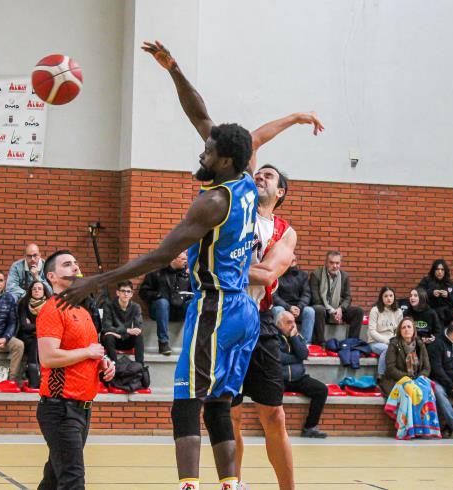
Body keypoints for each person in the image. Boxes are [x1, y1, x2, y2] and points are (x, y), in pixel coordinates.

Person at [141, 40, 323, 490]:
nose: (261, 175)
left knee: (273, 414)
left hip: (253, 319)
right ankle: (229, 482)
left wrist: (230, 265)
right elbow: (251, 136)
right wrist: (296, 117)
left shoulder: (283, 230)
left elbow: (270, 273)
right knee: (226, 411)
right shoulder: (237, 196)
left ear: (280, 193)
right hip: (227, 309)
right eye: (258, 171)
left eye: (270, 177)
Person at [56, 120, 258, 490]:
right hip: (245, 309)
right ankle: (232, 483)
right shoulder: (246, 180)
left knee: (185, 401)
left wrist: (96, 281)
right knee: (218, 403)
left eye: (209, 150)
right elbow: (202, 116)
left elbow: (161, 255)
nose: (202, 151)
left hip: (216, 306)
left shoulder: (213, 202)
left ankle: (188, 485)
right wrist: (173, 70)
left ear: (226, 160)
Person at [36, 250, 115, 489]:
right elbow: (48, 357)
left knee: (54, 479)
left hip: (83, 408)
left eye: (76, 264)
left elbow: (86, 350)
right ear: (52, 276)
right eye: (67, 264)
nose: (75, 268)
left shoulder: (82, 311)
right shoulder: (52, 309)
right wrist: (88, 353)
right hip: (60, 409)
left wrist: (102, 361)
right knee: (73, 480)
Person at [277, 310, 328, 438]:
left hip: (298, 378)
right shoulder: (273, 337)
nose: (293, 326)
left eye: (294, 322)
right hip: (279, 378)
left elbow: (304, 354)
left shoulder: (297, 337)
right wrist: (296, 358)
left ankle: (310, 427)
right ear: (279, 325)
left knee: (321, 390)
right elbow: (278, 357)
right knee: (270, 394)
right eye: (289, 323)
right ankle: (272, 427)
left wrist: (294, 338)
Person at [139, 251, 191, 356]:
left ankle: (193, 341)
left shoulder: (187, 275)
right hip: (160, 310)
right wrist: (158, 295)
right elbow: (143, 292)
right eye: (183, 260)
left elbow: (195, 292)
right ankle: (163, 343)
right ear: (173, 259)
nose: (185, 263)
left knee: (194, 303)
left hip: (179, 309)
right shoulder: (156, 272)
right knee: (163, 302)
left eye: (186, 260)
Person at [310, 251, 365, 346]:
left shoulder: (344, 276)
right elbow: (316, 298)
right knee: (318, 309)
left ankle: (352, 343)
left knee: (358, 311)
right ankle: (320, 342)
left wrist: (340, 309)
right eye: (331, 263)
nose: (335, 266)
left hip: (338, 310)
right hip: (324, 310)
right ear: (326, 262)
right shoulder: (316, 274)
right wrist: (332, 311)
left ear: (340, 263)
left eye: (337, 263)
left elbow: (348, 297)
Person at [379, 317, 431, 396]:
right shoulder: (394, 344)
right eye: (403, 327)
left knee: (427, 391)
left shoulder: (420, 344)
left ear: (414, 330)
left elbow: (426, 368)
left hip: (417, 380)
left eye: (409, 327)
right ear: (400, 331)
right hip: (396, 380)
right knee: (409, 392)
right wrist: (409, 378)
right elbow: (391, 368)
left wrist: (418, 379)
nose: (406, 329)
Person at [271, 255, 315, 344]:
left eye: (294, 260)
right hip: (283, 307)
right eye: (289, 260)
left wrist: (299, 307)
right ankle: (277, 342)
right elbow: (274, 295)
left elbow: (306, 294)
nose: (292, 263)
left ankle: (305, 344)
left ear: (296, 262)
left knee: (310, 311)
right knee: (277, 309)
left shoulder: (303, 276)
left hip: (298, 309)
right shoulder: (277, 275)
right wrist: (288, 307)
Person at [101, 280, 145, 365]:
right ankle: (114, 366)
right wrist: (127, 330)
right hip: (112, 341)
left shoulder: (136, 307)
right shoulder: (108, 305)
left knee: (138, 335)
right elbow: (106, 327)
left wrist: (121, 333)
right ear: (118, 293)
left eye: (128, 291)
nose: (126, 294)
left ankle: (140, 366)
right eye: (123, 291)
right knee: (108, 336)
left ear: (131, 294)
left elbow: (138, 328)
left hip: (125, 340)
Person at [17, 280, 49, 390]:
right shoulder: (24, 303)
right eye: (34, 288)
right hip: (27, 337)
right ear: (30, 291)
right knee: (36, 340)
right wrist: (40, 325)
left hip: (44, 337)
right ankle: (36, 377)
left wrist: (33, 325)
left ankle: (32, 375)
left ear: (44, 292)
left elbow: (50, 326)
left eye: (40, 289)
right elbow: (24, 326)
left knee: (38, 340)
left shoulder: (49, 305)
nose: (36, 291)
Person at [366, 286, 403, 380]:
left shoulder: (398, 312)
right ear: (381, 298)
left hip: (392, 341)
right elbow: (372, 331)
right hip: (375, 342)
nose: (389, 298)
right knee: (387, 349)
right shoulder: (375, 310)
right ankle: (381, 376)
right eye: (385, 296)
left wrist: (394, 341)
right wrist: (387, 341)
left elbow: (399, 331)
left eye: (391, 296)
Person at [418, 259, 453, 324]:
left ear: (445, 271)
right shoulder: (426, 280)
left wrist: (448, 295)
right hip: (430, 311)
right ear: (434, 270)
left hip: (447, 314)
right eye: (437, 269)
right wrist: (431, 293)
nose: (440, 272)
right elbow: (418, 294)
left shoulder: (450, 284)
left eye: (442, 270)